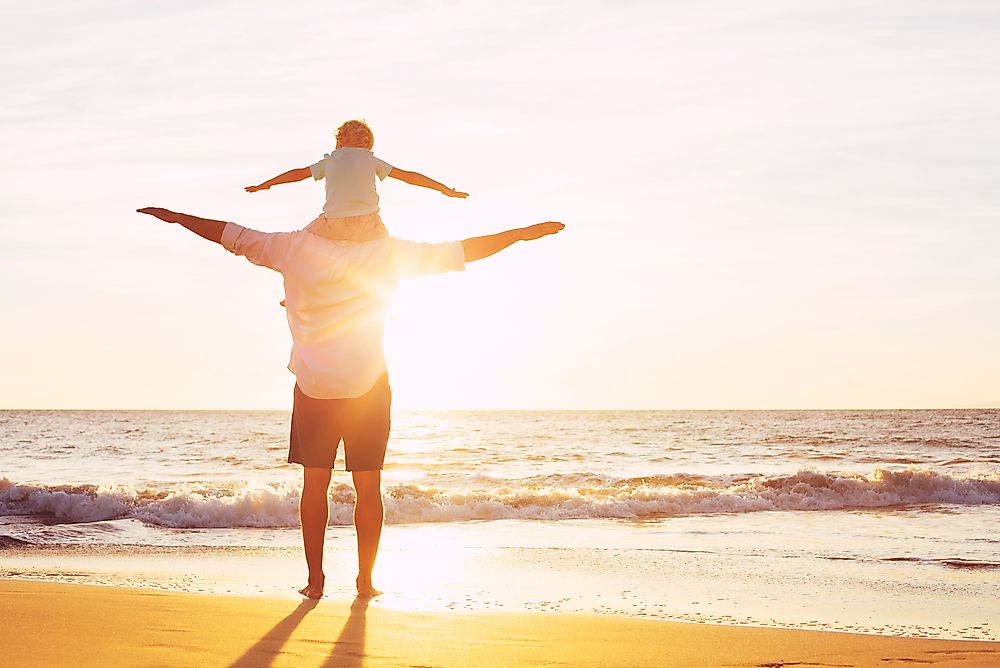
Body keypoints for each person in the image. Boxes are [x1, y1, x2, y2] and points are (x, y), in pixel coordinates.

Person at [136, 206, 563, 598]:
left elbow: (228, 234)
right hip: (366, 388)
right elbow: (462, 251)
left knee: (317, 485)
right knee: (366, 485)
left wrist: (175, 216)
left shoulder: (291, 246)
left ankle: (316, 582)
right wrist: (521, 234)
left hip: (315, 388)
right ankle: (364, 581)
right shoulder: (386, 252)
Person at [245, 119, 468, 243]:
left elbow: (296, 174)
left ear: (340, 140)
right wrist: (444, 190)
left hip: (333, 223)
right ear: (367, 144)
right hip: (368, 223)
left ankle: (297, 290)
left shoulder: (330, 161)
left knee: (301, 246)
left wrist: (266, 184)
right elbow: (409, 177)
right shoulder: (371, 160)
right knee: (387, 256)